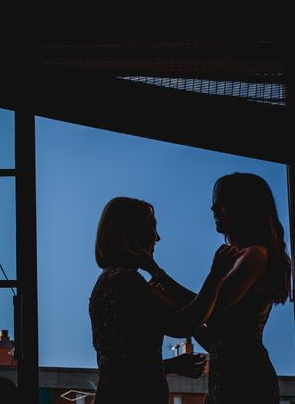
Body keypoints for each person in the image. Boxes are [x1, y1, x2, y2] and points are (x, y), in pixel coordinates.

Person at [150, 173, 291, 403]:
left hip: (245, 382)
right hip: (231, 379)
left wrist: (156, 272)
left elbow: (212, 311)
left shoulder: (254, 255)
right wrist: (181, 307)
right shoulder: (244, 257)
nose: (213, 207)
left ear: (245, 208)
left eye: (223, 201)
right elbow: (218, 338)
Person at [89, 197, 238, 404]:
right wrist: (216, 275)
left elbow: (126, 363)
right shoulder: (126, 282)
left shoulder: (108, 281)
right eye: (151, 228)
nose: (157, 238)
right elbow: (185, 323)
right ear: (130, 235)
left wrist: (172, 366)